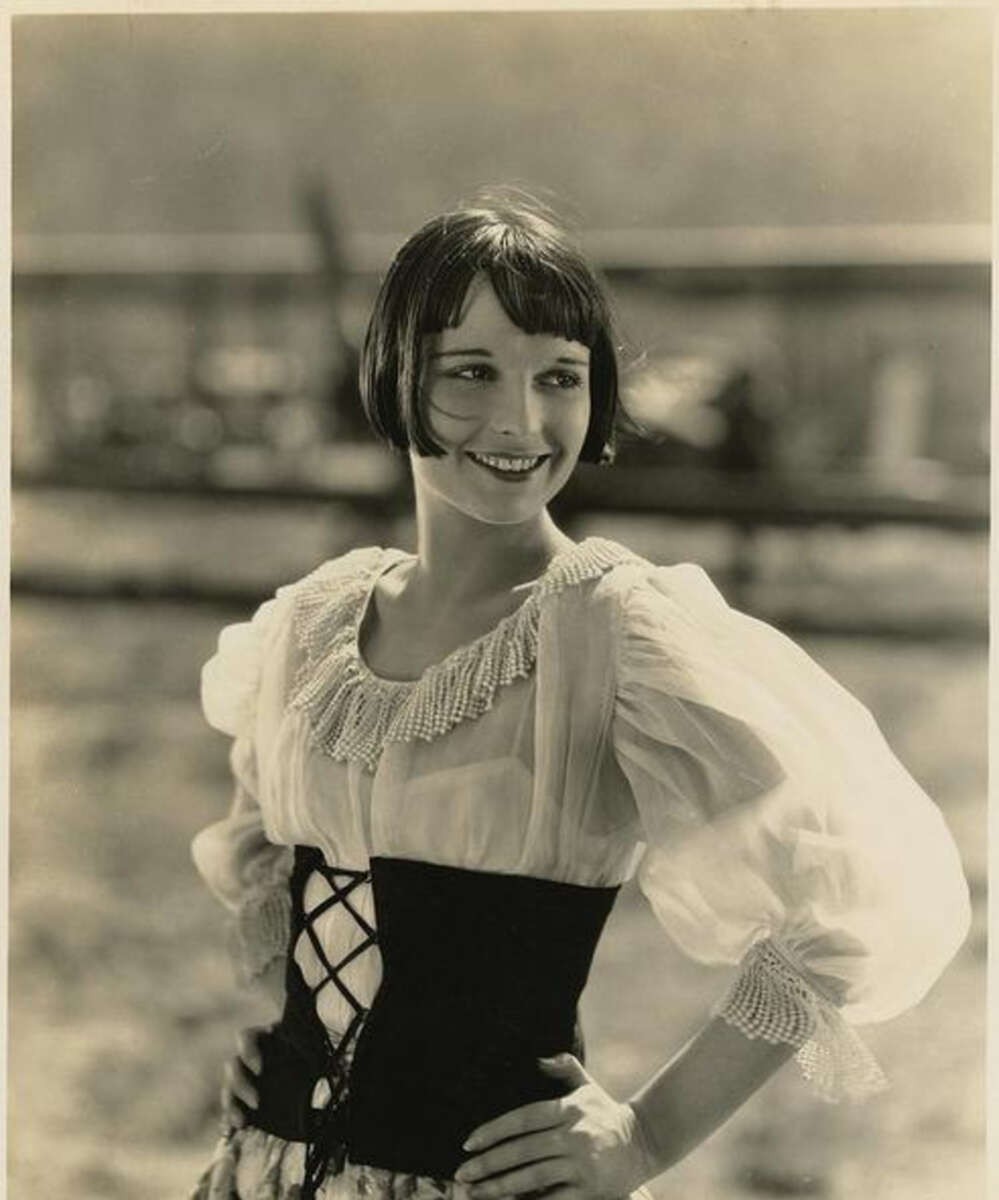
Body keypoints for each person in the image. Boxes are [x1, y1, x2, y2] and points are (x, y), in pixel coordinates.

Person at [190, 195, 970, 1200]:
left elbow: (847, 902)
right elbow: (269, 875)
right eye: (471, 373)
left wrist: (644, 1138)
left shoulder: (615, 634)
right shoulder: (309, 626)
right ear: (394, 375)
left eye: (559, 377)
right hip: (267, 1173)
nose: (520, 422)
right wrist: (281, 1049)